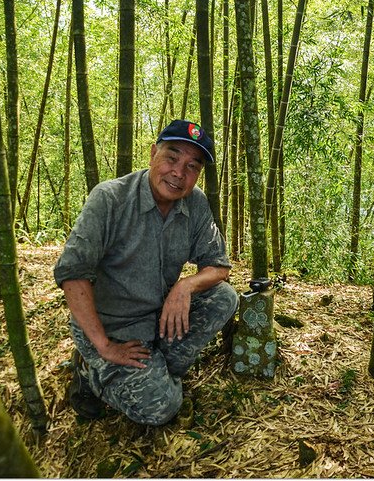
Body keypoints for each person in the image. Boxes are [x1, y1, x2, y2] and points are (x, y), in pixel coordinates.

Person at [54, 119, 238, 425]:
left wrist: (185, 286)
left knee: (223, 298)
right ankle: (90, 371)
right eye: (172, 157)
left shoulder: (195, 203)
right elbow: (73, 273)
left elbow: (219, 267)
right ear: (153, 153)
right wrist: (104, 345)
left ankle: (156, 369)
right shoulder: (110, 198)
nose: (179, 173)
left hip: (157, 317)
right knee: (161, 408)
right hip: (112, 328)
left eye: (192, 166)